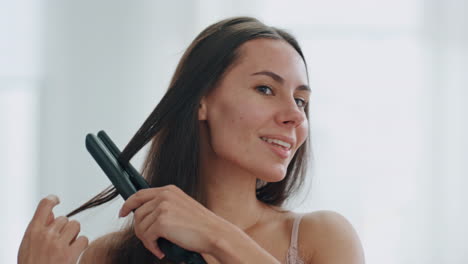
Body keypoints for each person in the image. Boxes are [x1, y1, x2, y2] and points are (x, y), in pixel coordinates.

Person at [18, 16, 365, 264]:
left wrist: (217, 235)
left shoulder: (323, 237)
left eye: (301, 100)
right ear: (201, 101)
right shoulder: (109, 255)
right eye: (265, 89)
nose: (295, 115)